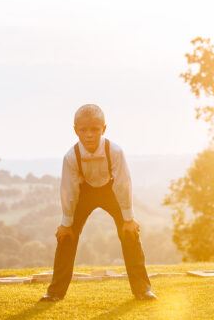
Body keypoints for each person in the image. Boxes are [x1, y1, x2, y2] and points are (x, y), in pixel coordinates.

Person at [40, 104, 157, 301]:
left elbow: (123, 183)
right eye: (83, 130)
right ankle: (55, 293)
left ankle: (142, 289)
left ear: (104, 129)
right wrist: (66, 224)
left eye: (94, 129)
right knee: (66, 237)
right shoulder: (71, 157)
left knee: (129, 233)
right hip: (84, 192)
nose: (89, 135)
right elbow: (69, 189)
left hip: (111, 191)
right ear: (75, 130)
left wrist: (128, 218)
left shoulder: (115, 151)